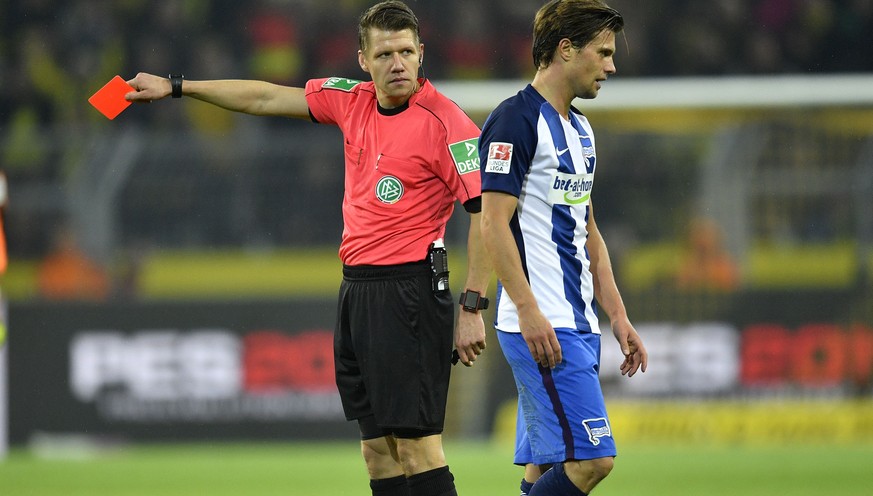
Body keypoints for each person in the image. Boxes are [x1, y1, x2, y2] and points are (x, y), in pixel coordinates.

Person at [124, 2, 491, 496]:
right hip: (357, 290)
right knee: (377, 452)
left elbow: (486, 217)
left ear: (422, 52)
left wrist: (472, 304)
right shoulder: (351, 100)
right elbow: (264, 97)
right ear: (363, 59)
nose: (398, 63)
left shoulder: (448, 125)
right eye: (385, 53)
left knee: (418, 449)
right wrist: (175, 86)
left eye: (407, 51)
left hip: (412, 293)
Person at [478, 1, 648, 495]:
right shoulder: (514, 121)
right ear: (566, 50)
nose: (612, 66)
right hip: (542, 327)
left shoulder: (580, 129)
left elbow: (588, 232)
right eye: (604, 52)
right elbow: (493, 225)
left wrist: (616, 316)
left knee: (540, 470)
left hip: (577, 323)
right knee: (594, 461)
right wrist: (529, 311)